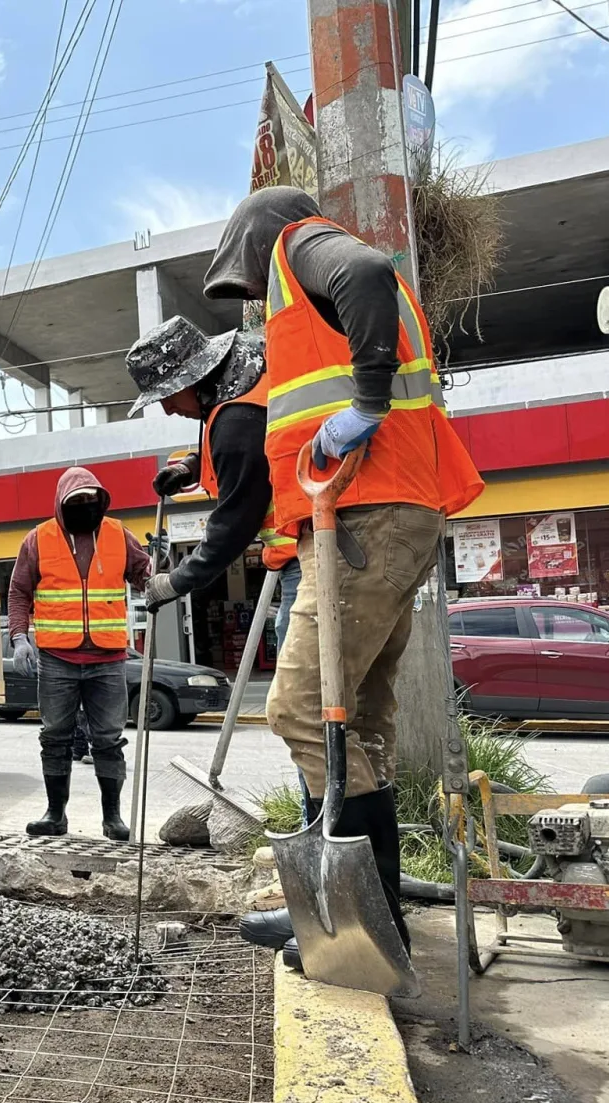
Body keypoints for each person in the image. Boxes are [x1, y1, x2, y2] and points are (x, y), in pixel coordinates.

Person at [202, 188, 483, 965]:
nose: (256, 295)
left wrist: (363, 404)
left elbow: (364, 271)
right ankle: (364, 915)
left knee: (299, 712)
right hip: (384, 512)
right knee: (358, 723)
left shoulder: (304, 247)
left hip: (366, 515)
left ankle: (358, 928)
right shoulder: (305, 275)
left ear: (258, 240)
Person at [125, 316, 300, 638]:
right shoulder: (249, 368)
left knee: (303, 682)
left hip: (310, 546)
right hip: (328, 537)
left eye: (168, 395)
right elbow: (260, 444)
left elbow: (234, 524)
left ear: (192, 378)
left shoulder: (238, 421)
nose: (167, 409)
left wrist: (176, 581)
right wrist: (192, 466)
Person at [7, 467, 153, 840]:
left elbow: (145, 579)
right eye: (78, 502)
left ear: (101, 501)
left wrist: (159, 562)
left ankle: (113, 819)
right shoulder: (38, 539)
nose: (86, 507)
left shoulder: (119, 535)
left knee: (108, 739)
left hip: (107, 658)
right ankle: (55, 816)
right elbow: (20, 593)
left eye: (92, 500)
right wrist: (20, 638)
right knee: (55, 736)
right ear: (61, 503)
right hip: (58, 659)